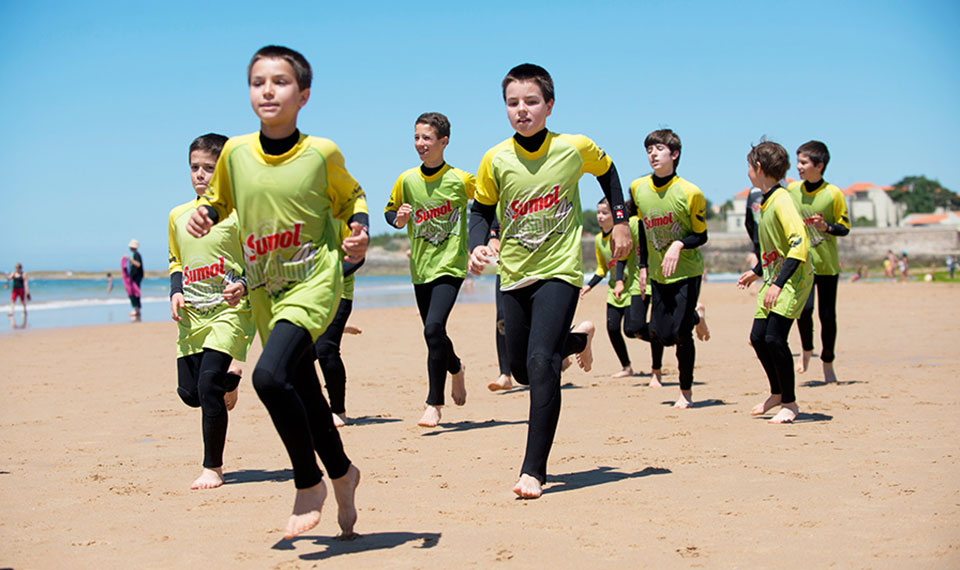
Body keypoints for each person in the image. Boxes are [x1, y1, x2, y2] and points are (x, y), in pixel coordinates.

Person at [186, 45, 363, 539]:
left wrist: (360, 228)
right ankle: (344, 472)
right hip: (266, 289)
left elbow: (352, 196)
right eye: (258, 80)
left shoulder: (320, 153)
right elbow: (219, 202)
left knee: (266, 377)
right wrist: (207, 215)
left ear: (303, 94)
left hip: (313, 281)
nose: (268, 89)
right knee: (302, 390)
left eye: (281, 81)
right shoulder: (236, 154)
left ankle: (308, 482)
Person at [468, 63, 628, 499]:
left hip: (559, 271)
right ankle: (577, 340)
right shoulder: (495, 158)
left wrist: (620, 221)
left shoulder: (573, 148)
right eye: (513, 103)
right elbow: (481, 209)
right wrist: (477, 245)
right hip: (514, 273)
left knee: (541, 365)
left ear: (549, 105)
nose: (522, 110)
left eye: (531, 102)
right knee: (520, 368)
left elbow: (609, 172)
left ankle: (532, 471)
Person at [169, 133, 256, 490]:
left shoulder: (240, 214)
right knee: (190, 394)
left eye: (209, 168)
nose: (200, 175)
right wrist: (175, 292)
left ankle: (213, 468)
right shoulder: (177, 216)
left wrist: (246, 283)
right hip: (193, 313)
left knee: (206, 387)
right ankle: (230, 382)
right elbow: (175, 259)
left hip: (230, 310)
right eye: (195, 167)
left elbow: (263, 257)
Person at [384, 112, 471, 427]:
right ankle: (457, 367)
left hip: (451, 265)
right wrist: (399, 220)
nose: (420, 144)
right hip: (420, 268)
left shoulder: (461, 180)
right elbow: (390, 211)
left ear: (443, 141)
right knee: (434, 334)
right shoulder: (407, 180)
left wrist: (489, 237)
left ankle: (434, 403)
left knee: (433, 329)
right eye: (417, 137)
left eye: (427, 138)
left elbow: (488, 204)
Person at [630, 129, 710, 409]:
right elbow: (640, 227)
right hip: (657, 273)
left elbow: (701, 236)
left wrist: (678, 245)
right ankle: (695, 317)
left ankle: (685, 392)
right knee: (660, 335)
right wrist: (641, 266)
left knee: (679, 334)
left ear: (674, 154)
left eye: (659, 149)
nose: (653, 153)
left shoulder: (690, 192)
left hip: (687, 272)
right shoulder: (638, 188)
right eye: (649, 149)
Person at [737, 140, 813, 424]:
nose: (747, 173)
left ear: (758, 168)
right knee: (758, 338)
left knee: (774, 338)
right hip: (774, 278)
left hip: (792, 280)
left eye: (748, 166)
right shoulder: (767, 200)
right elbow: (776, 248)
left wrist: (779, 283)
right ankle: (777, 393)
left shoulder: (782, 200)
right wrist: (758, 271)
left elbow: (799, 246)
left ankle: (790, 404)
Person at [788, 141, 849, 383]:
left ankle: (828, 363)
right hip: (803, 263)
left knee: (827, 315)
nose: (798, 167)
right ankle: (806, 350)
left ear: (819, 165)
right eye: (798, 162)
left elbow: (844, 228)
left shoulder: (833, 194)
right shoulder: (792, 192)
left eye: (804, 162)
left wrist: (827, 227)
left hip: (827, 265)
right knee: (805, 309)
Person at [580, 198, 643, 378]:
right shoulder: (599, 240)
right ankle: (626, 367)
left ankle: (660, 339)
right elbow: (602, 268)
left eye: (605, 213)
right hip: (613, 290)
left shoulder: (625, 234)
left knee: (632, 330)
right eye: (598, 212)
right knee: (612, 328)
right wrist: (588, 286)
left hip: (631, 287)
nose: (600, 216)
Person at [314, 219, 365, 428]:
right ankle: (336, 329)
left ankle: (338, 411)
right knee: (298, 355)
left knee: (326, 349)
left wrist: (328, 277)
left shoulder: (343, 216)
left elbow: (357, 258)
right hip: (306, 295)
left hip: (339, 294)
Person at [124, 239, 144, 319]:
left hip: (136, 278)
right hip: (134, 277)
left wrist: (130, 260)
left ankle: (136, 309)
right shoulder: (135, 255)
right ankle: (137, 309)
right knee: (134, 293)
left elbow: (138, 265)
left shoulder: (137, 255)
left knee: (135, 293)